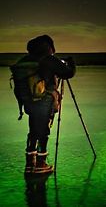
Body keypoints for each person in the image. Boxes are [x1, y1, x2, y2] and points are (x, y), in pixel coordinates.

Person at [16, 35, 76, 174]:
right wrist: (71, 61)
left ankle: (30, 163)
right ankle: (40, 164)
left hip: (29, 101)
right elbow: (68, 73)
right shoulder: (48, 59)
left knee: (34, 130)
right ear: (48, 47)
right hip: (44, 101)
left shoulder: (26, 60)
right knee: (43, 131)